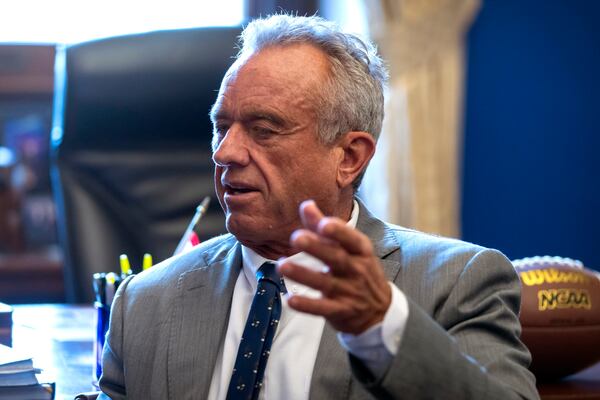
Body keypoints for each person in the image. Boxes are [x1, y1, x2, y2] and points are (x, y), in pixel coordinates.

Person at [99, 14, 539, 400]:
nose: (226, 152)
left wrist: (382, 325)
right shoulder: (144, 301)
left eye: (264, 129)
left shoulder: (457, 284)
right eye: (221, 127)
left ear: (348, 158)